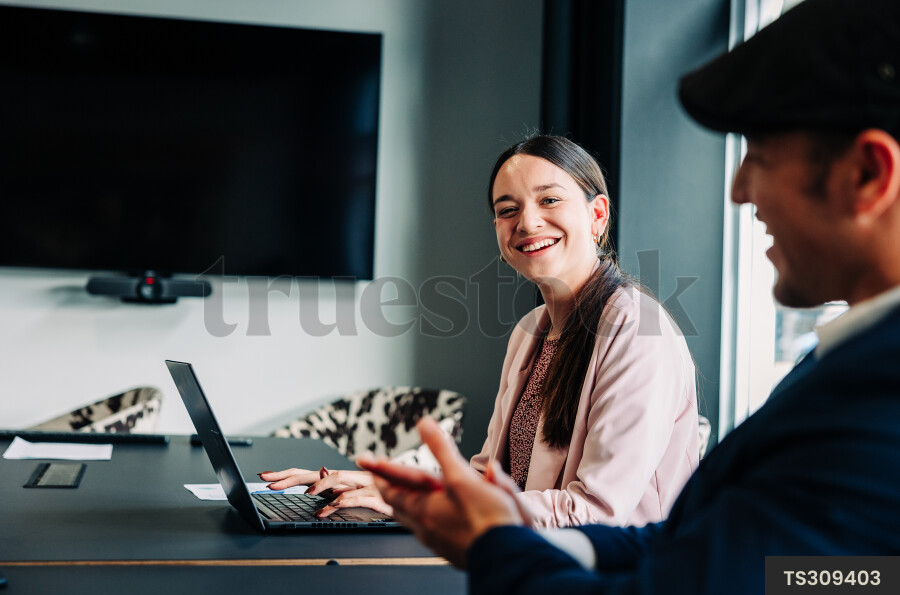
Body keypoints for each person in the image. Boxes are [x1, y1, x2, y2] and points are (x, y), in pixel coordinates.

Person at [359, 0, 900, 595]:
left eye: (761, 158)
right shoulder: (840, 366)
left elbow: (775, 577)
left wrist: (498, 543)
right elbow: (721, 553)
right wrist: (417, 495)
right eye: (505, 210)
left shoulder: (871, 393)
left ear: (869, 176)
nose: (740, 191)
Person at [261, 134, 700, 527]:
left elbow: (597, 512)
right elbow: (487, 477)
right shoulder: (531, 330)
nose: (527, 223)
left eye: (549, 200)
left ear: (597, 215)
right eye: (508, 210)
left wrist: (417, 504)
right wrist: (379, 483)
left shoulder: (637, 330)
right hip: (532, 561)